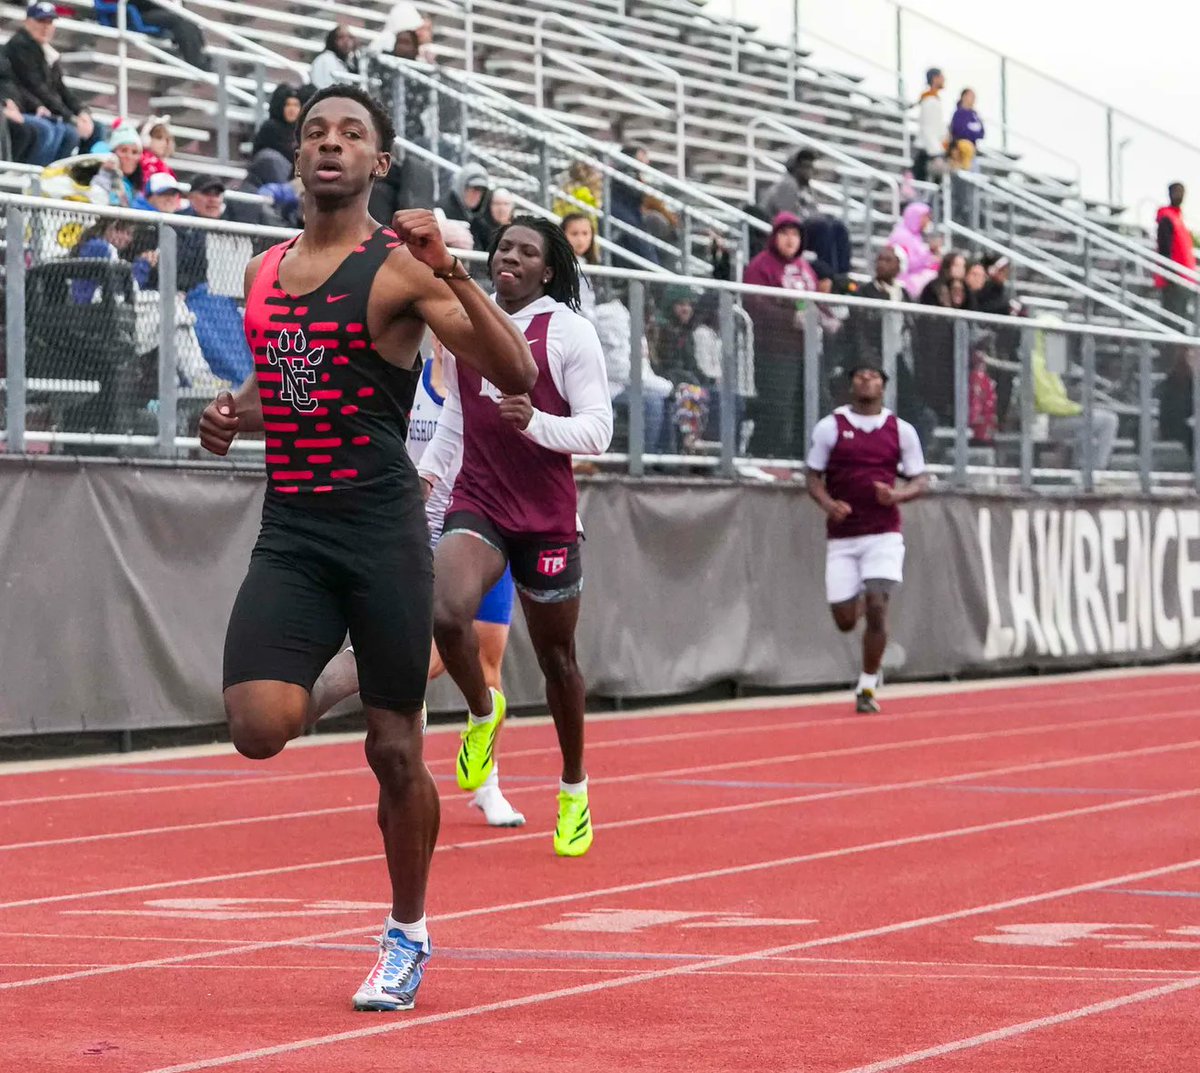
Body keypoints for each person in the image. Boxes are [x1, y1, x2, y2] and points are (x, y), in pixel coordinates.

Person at [196, 84, 536, 1011]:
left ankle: (408, 932)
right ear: (298, 157)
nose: (330, 145)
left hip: (382, 529)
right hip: (294, 530)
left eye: (352, 135)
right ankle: (379, 660)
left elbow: (515, 373)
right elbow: (289, 385)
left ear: (380, 163)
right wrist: (230, 414)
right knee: (259, 725)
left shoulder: (400, 268)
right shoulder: (264, 271)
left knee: (393, 753)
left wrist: (456, 271)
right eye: (315, 133)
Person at [418, 216, 613, 859]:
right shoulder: (467, 320)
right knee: (446, 612)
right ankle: (482, 712)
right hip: (479, 503)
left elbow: (597, 433)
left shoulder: (569, 332)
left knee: (558, 662)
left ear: (548, 270)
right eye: (505, 248)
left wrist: (536, 422)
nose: (512, 258)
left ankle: (573, 787)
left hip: (547, 518)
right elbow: (458, 413)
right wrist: (428, 476)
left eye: (528, 252)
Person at [308, 337, 527, 829]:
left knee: (486, 667)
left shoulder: (483, 385)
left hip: (480, 535)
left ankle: (487, 783)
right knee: (421, 658)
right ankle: (408, 770)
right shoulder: (412, 382)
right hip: (417, 541)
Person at [805, 365, 928, 713]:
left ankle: (868, 686)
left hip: (883, 533)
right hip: (843, 537)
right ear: (851, 385)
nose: (866, 381)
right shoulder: (831, 427)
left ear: (884, 386)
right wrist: (829, 504)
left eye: (874, 376)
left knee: (877, 606)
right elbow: (812, 477)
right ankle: (860, 591)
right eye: (860, 376)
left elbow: (920, 479)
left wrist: (897, 496)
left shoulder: (900, 431)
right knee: (845, 620)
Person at [743, 211, 818, 458]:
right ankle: (759, 456)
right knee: (776, 408)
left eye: (795, 234)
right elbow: (755, 304)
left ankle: (795, 459)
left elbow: (817, 302)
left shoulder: (805, 267)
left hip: (806, 351)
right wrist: (789, 318)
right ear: (775, 236)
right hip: (773, 350)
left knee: (806, 408)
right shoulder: (760, 265)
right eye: (785, 233)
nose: (790, 240)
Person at [5, 3, 92, 164]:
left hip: (40, 108)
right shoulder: (20, 46)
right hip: (27, 108)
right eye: (41, 21)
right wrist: (70, 117)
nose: (45, 27)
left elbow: (61, 89)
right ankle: (32, 178)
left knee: (91, 129)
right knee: (54, 130)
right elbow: (33, 86)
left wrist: (81, 111)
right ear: (27, 22)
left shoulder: (47, 52)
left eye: (49, 22)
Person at [1031, 315, 1119, 472]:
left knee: (1092, 423)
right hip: (1048, 421)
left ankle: (1084, 468)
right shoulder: (1036, 363)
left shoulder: (1049, 362)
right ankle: (1096, 469)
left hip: (1060, 417)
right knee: (1108, 421)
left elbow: (1058, 397)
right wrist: (1076, 409)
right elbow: (1047, 403)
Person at [1155, 183, 1198, 325]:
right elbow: (1165, 248)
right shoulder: (1167, 218)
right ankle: (1171, 347)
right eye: (1176, 192)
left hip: (1185, 278)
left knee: (1182, 320)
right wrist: (1170, 276)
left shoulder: (1178, 218)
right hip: (1174, 280)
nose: (1179, 195)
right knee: (1173, 321)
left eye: (1181, 192)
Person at [128, 0, 210, 70]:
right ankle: (196, 63)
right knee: (179, 21)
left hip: (162, 11)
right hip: (140, 12)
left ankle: (200, 56)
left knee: (189, 22)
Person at [887, 202, 941, 298]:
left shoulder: (915, 236)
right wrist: (929, 257)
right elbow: (906, 263)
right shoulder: (901, 236)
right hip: (905, 280)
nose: (928, 221)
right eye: (925, 217)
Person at [437, 161, 491, 249]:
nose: (477, 195)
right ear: (461, 186)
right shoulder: (441, 213)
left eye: (481, 190)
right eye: (474, 188)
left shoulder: (480, 222)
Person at [252, 85, 302, 176]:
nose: (292, 109)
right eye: (288, 105)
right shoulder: (270, 128)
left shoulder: (299, 130)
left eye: (296, 105)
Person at [913, 67, 946, 183]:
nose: (944, 79)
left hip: (932, 149)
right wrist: (935, 153)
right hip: (928, 152)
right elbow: (927, 129)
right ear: (935, 78)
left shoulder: (934, 100)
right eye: (941, 77)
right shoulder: (929, 101)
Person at [309, 25, 358, 90]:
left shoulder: (348, 64)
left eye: (350, 37)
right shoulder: (326, 59)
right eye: (341, 37)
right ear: (333, 40)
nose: (346, 41)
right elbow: (325, 87)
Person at [949, 89, 984, 167]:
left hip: (973, 150)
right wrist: (972, 133)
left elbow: (982, 133)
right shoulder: (958, 113)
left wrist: (970, 132)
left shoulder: (975, 114)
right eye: (971, 96)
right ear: (964, 97)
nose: (974, 99)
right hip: (961, 151)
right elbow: (959, 131)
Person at [139, 115, 176, 183]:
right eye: (159, 138)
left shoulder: (164, 166)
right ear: (146, 139)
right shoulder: (144, 164)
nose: (164, 143)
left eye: (166, 139)